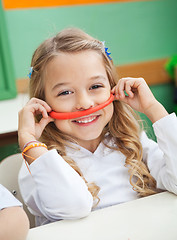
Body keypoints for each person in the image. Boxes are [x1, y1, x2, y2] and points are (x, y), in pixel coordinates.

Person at [18, 28, 177, 226]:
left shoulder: (132, 141)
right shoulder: (37, 162)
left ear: (112, 88)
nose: (85, 103)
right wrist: (28, 140)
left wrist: (154, 109)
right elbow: (74, 206)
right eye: (65, 92)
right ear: (42, 103)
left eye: (95, 87)